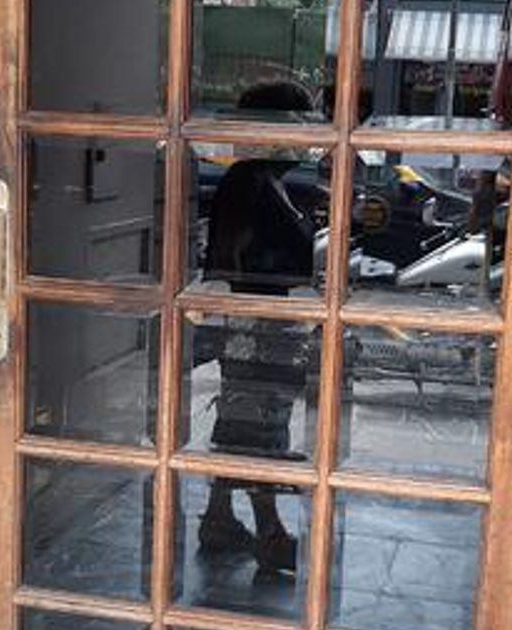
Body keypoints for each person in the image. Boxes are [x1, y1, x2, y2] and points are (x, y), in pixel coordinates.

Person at [197, 82, 318, 574]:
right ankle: (267, 529)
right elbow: (234, 262)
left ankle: (219, 517)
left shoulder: (265, 180)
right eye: (299, 128)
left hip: (263, 324)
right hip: (255, 327)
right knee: (256, 426)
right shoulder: (249, 181)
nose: (308, 139)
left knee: (246, 421)